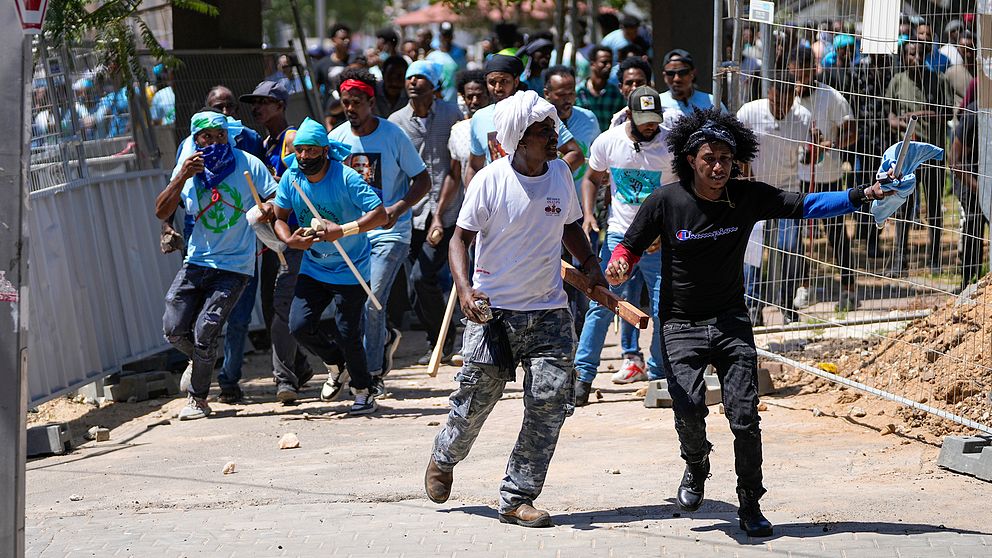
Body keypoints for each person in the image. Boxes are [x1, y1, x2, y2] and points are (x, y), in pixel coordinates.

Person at [604, 108, 893, 537]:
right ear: (689, 160)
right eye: (709, 158)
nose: (719, 167)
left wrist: (864, 193)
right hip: (680, 324)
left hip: (730, 322)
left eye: (726, 158)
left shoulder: (746, 196)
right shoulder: (665, 201)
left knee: (744, 417)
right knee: (688, 408)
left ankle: (750, 503)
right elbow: (629, 246)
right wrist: (618, 266)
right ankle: (696, 464)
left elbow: (808, 205)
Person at [425, 90, 606, 527]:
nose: (553, 137)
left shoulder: (561, 173)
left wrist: (591, 265)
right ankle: (444, 456)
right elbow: (459, 240)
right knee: (474, 404)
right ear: (519, 140)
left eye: (552, 129)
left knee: (549, 403)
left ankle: (517, 496)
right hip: (495, 315)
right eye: (543, 131)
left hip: (548, 311)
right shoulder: (490, 180)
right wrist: (466, 291)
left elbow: (569, 228)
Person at [155, 111, 277, 420]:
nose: (213, 141)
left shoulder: (248, 163)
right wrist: (182, 176)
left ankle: (198, 399)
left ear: (228, 136)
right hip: (197, 260)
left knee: (205, 329)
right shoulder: (188, 169)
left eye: (219, 135)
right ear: (196, 139)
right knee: (173, 329)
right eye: (206, 137)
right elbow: (161, 211)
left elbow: (278, 198)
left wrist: (268, 210)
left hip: (236, 265)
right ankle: (200, 358)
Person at [272, 117, 388, 415]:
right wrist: (290, 241)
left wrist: (343, 230)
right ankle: (336, 363)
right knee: (298, 325)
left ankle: (363, 390)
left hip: (351, 266)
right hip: (313, 265)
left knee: (348, 331)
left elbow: (380, 215)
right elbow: (279, 217)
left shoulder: (346, 177)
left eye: (311, 151)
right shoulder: (292, 178)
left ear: (325, 150)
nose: (304, 157)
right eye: (299, 151)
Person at [328, 68, 431, 397]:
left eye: (356, 102)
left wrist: (398, 210)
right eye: (346, 102)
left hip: (391, 233)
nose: (350, 108)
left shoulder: (393, 135)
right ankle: (380, 342)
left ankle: (371, 374)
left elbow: (422, 180)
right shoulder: (337, 140)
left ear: (371, 103)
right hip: (352, 234)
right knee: (356, 304)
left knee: (373, 299)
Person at [572, 86, 672, 405]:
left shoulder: (670, 145)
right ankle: (582, 377)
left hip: (659, 239)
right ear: (628, 115)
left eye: (654, 120)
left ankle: (657, 376)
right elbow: (590, 177)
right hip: (620, 237)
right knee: (603, 303)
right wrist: (588, 215)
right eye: (643, 120)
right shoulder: (608, 141)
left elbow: (680, 194)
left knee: (665, 307)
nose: (650, 127)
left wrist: (662, 232)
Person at [238, 81, 318, 403]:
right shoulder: (265, 143)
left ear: (281, 105)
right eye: (254, 103)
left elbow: (303, 178)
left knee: (286, 307)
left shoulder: (291, 138)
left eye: (264, 102)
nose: (257, 108)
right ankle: (297, 367)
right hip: (277, 237)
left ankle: (285, 379)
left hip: (299, 235)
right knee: (276, 307)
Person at [389, 61, 464, 369]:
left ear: (434, 85)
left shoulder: (451, 115)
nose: (413, 82)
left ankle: (444, 341)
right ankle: (440, 340)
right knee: (414, 286)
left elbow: (454, 169)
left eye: (420, 78)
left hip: (445, 212)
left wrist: (438, 215)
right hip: (411, 212)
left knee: (424, 276)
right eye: (410, 77)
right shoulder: (396, 121)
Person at [736, 78, 812, 325]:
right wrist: (748, 180)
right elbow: (736, 149)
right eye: (776, 102)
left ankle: (788, 306)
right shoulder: (749, 112)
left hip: (787, 192)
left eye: (786, 104)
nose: (780, 108)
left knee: (790, 247)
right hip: (754, 191)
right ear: (769, 94)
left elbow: (810, 151)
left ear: (794, 98)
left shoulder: (803, 116)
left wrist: (816, 150)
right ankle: (753, 308)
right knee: (754, 252)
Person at [788, 46, 858, 310]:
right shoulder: (787, 98)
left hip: (827, 177)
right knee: (801, 236)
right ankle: (802, 287)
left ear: (813, 70)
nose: (799, 80)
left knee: (836, 234)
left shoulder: (831, 97)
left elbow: (851, 130)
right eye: (795, 73)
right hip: (796, 178)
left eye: (804, 73)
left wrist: (831, 143)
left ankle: (849, 288)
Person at [885, 41, 953, 276]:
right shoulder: (897, 82)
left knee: (933, 207)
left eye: (918, 53)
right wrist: (900, 122)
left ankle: (934, 259)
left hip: (932, 154)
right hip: (907, 158)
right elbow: (890, 115)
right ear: (904, 57)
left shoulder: (939, 80)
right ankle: (899, 260)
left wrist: (921, 114)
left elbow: (948, 114)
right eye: (910, 54)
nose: (914, 57)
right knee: (903, 207)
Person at [466, 54, 584, 189]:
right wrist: (471, 196)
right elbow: (474, 166)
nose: (498, 88)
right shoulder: (480, 118)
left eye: (504, 81)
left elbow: (575, 154)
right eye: (492, 82)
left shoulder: (538, 114)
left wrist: (549, 181)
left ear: (516, 81)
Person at [543, 65, 601, 335]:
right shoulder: (540, 122)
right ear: (547, 94)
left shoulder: (588, 120)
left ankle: (576, 336)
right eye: (560, 94)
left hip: (580, 213)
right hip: (547, 212)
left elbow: (598, 165)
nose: (567, 99)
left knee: (582, 274)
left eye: (571, 93)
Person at [950, 101, 987, 289]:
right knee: (973, 231)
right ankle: (968, 283)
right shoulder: (973, 114)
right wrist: (980, 189)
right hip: (969, 181)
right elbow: (954, 162)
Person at [659, 49, 726, 118]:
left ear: (693, 73)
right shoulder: (658, 104)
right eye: (670, 73)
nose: (677, 79)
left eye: (682, 72)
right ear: (664, 76)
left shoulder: (712, 102)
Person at [576, 45, 625, 133]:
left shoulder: (616, 94)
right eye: (604, 62)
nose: (609, 66)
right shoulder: (578, 92)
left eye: (610, 62)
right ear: (592, 64)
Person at [315, 23, 353, 102]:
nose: (347, 41)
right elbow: (315, 91)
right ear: (333, 40)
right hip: (329, 111)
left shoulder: (355, 61)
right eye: (343, 38)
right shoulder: (322, 64)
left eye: (348, 38)